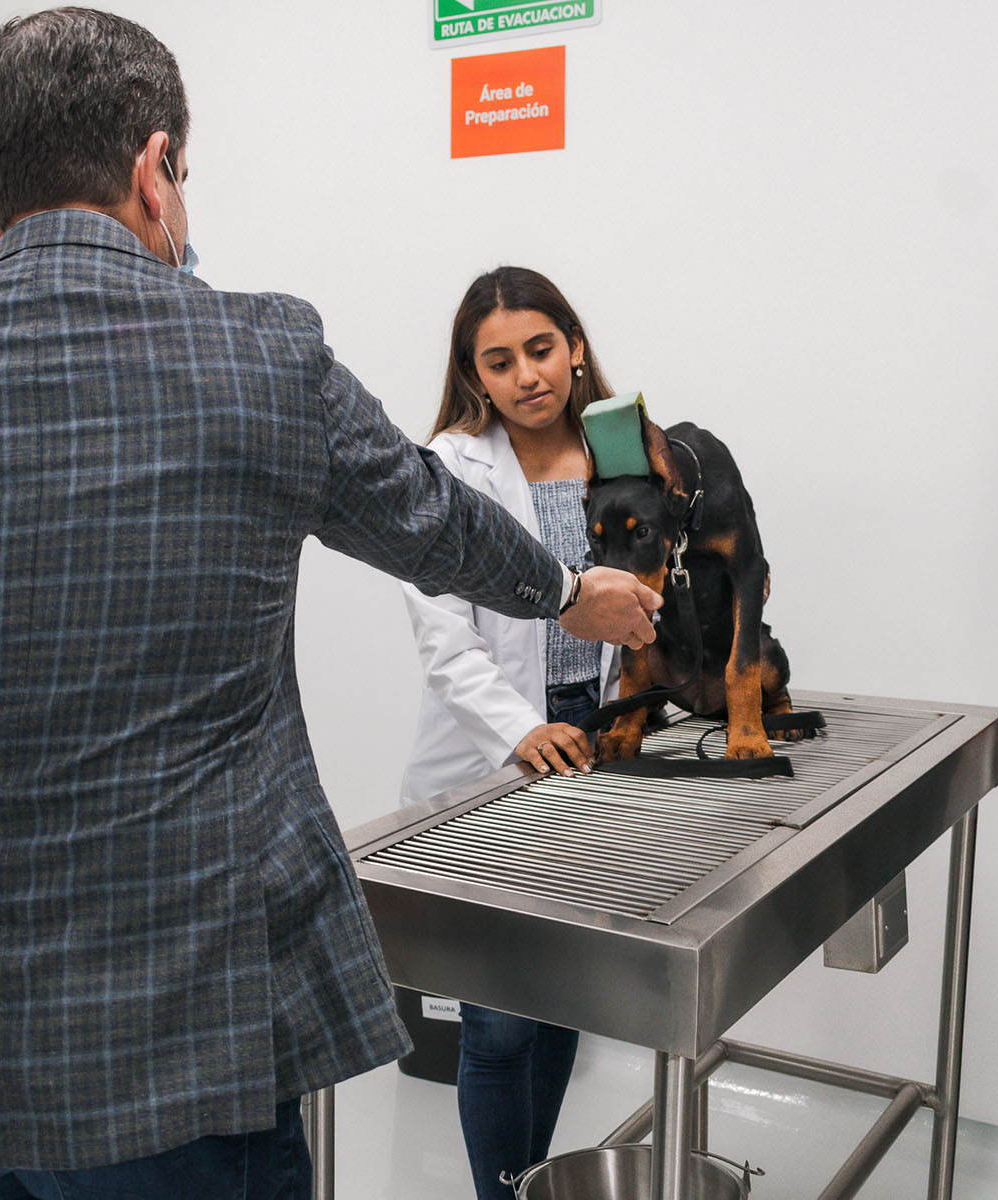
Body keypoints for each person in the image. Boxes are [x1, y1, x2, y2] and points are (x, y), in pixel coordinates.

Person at [0, 9, 660, 1199]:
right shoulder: (256, 352)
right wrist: (565, 591)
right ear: (155, 167)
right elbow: (424, 517)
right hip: (178, 1040)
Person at [400, 266, 619, 1200]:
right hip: (501, 755)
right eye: (500, 361)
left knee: (566, 992)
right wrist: (526, 733)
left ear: (572, 345)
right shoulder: (450, 469)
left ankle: (537, 1184)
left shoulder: (628, 452)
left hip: (603, 750)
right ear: (473, 375)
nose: (527, 375)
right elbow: (446, 643)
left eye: (540, 349)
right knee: (494, 1019)